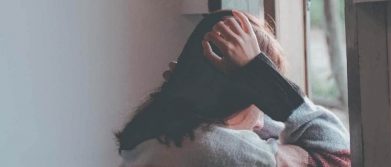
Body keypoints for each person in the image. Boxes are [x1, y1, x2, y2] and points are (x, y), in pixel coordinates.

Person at [117, 10, 350, 167]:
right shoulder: (215, 150)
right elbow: (339, 157)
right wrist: (261, 74)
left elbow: (253, 126)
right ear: (243, 96)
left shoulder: (156, 132)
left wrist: (183, 85)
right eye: (259, 102)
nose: (263, 120)